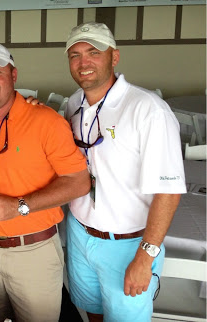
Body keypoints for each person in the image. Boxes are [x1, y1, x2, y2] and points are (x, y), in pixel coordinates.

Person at [63, 22, 186, 321]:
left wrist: (146, 256)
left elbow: (168, 191)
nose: (84, 62)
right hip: (80, 233)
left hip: (129, 244)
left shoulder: (148, 110)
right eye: (75, 55)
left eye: (94, 52)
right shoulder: (73, 104)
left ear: (114, 57)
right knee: (91, 312)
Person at [0, 43, 91, 322]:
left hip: (32, 250)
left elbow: (79, 183)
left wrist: (19, 206)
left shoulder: (46, 121)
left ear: (14, 75)